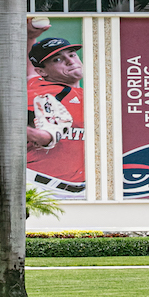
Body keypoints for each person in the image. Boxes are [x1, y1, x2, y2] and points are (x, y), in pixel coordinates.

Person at [27, 36, 87, 196]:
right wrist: (38, 134)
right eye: (58, 59)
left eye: (72, 54)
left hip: (83, 192)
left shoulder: (84, 94)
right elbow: (14, 125)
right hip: (40, 188)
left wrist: (30, 36)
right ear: (41, 71)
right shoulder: (43, 92)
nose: (70, 61)